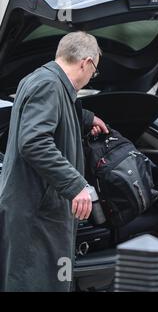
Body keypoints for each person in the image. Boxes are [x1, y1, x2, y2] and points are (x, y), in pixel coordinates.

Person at [0, 31, 109, 291]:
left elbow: (47, 119)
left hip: (39, 211)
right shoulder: (49, 85)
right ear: (86, 62)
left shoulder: (43, 81)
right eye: (94, 72)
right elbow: (34, 142)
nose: (90, 77)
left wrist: (85, 118)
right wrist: (76, 185)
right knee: (36, 282)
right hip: (37, 213)